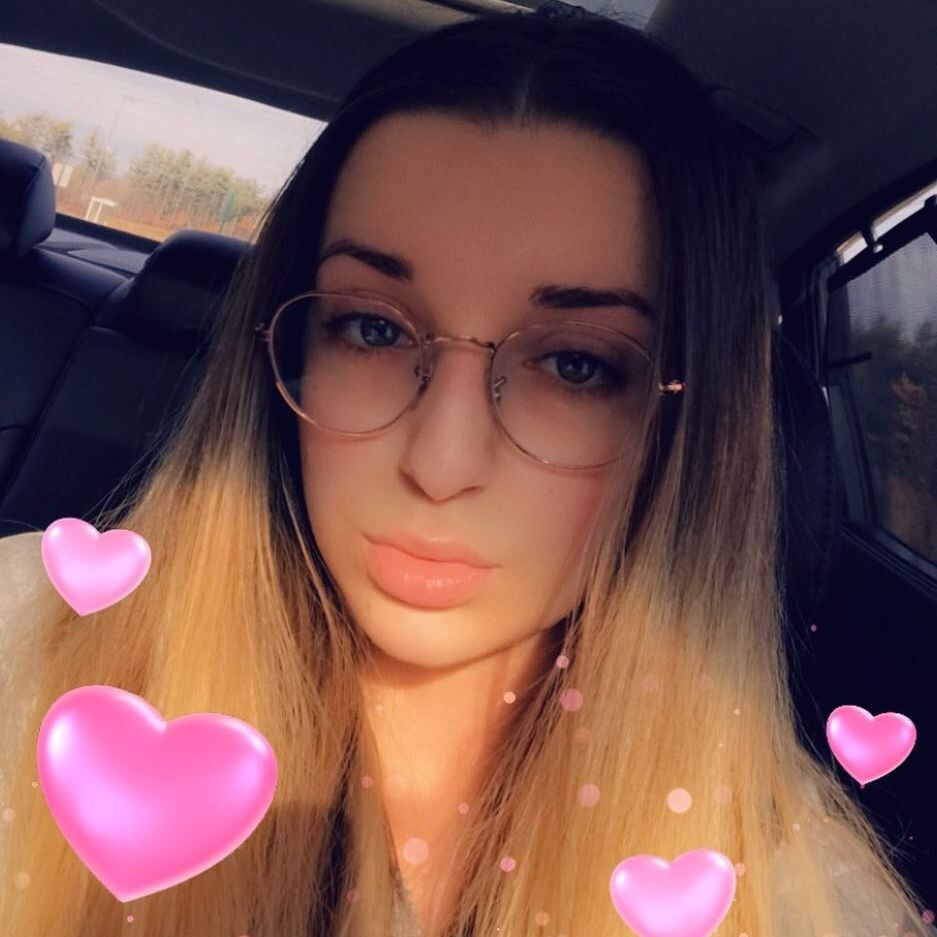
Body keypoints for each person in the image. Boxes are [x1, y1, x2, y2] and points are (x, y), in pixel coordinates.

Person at [0, 7, 933, 937]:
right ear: (291, 347)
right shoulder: (32, 648)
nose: (439, 464)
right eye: (372, 327)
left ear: (687, 429)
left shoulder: (787, 888)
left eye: (575, 365)